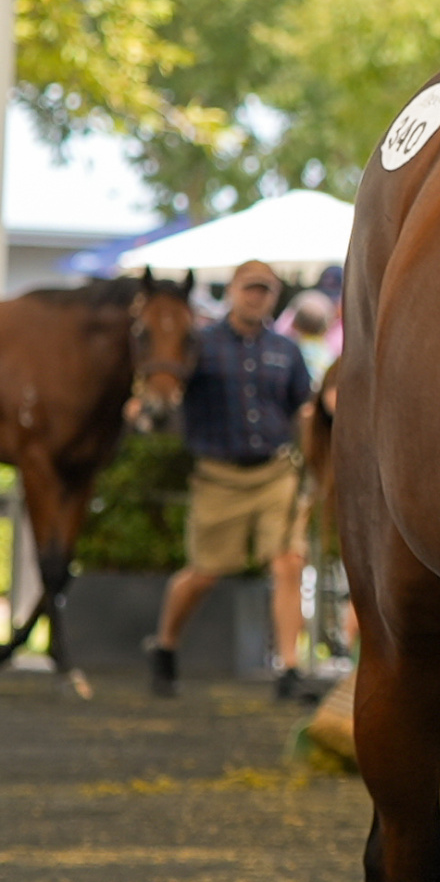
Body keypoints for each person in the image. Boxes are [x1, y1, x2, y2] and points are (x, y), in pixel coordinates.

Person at [149, 260, 316, 701]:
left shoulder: (287, 349)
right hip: (218, 475)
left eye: (264, 290)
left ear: (274, 297)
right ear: (232, 292)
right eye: (249, 288)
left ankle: (289, 669)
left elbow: (303, 406)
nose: (256, 297)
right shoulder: (200, 344)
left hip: (276, 471)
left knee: (288, 563)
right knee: (203, 574)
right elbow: (167, 384)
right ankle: (165, 645)